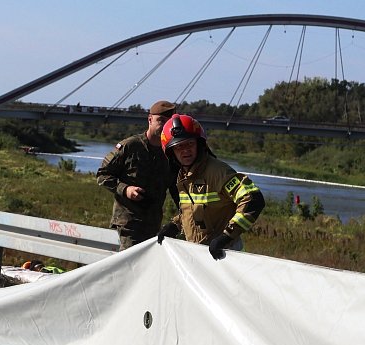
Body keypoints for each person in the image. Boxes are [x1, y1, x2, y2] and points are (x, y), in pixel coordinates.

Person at [156, 113, 265, 259]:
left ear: (199, 144)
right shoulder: (184, 175)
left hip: (225, 255)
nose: (185, 150)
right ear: (171, 152)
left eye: (190, 144)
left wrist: (226, 237)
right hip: (199, 255)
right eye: (179, 147)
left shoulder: (218, 172)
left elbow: (252, 199)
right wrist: (176, 225)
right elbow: (197, 210)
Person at [96, 100, 179, 250]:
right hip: (129, 221)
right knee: (130, 266)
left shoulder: (171, 153)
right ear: (150, 120)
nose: (163, 126)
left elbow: (176, 188)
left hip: (154, 223)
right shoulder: (130, 146)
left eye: (168, 122)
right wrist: (125, 189)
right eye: (160, 120)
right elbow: (103, 175)